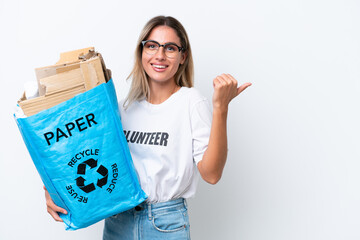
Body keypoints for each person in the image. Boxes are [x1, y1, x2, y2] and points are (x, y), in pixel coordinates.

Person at [44, 15, 251, 239]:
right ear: (141, 52)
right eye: (152, 46)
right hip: (117, 220)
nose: (159, 55)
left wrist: (221, 108)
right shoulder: (123, 108)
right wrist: (52, 191)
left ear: (183, 56)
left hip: (165, 223)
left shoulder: (190, 101)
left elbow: (211, 174)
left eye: (170, 48)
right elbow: (83, 155)